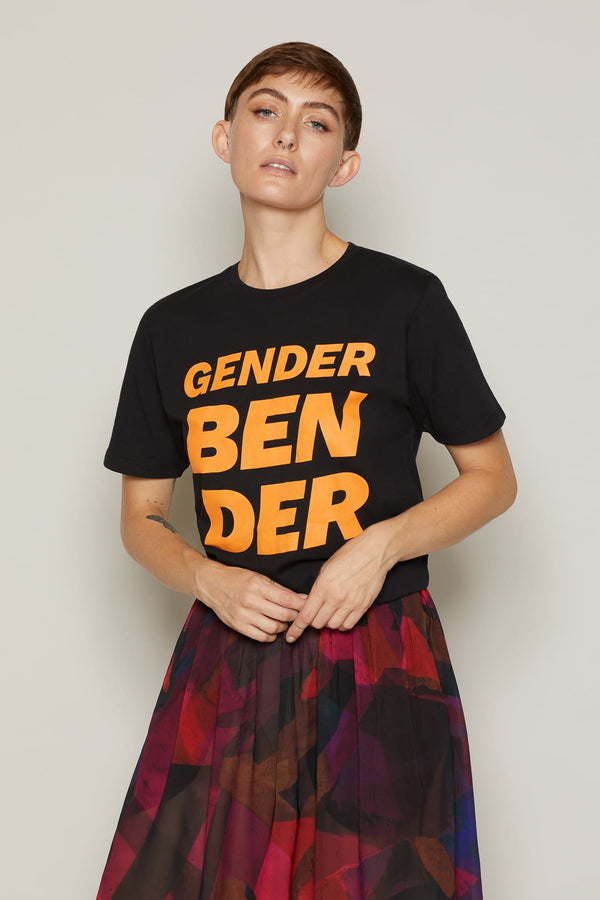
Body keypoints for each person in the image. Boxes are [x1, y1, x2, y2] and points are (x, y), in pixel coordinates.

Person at [96, 40, 517, 900]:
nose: (287, 134)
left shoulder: (404, 300)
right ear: (226, 137)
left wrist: (380, 547)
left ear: (344, 163)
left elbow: (492, 477)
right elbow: (141, 518)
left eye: (317, 122)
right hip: (228, 651)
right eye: (266, 110)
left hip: (380, 655)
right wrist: (207, 578)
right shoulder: (173, 329)